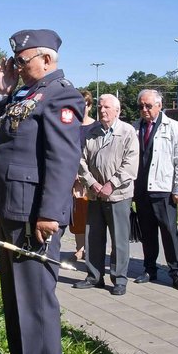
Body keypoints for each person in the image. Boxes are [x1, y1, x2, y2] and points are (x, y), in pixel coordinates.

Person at [0, 28, 83, 354]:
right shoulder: (25, 92)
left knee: (35, 294)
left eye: (22, 61)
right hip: (12, 206)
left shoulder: (61, 94)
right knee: (14, 291)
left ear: (47, 59)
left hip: (35, 211)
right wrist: (3, 90)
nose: (16, 67)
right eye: (15, 62)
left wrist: (50, 214)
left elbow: (63, 159)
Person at [74, 94, 139, 296]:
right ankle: (94, 276)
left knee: (119, 239)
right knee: (93, 237)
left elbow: (130, 163)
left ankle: (119, 279)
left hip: (119, 195)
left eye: (107, 107)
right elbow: (81, 161)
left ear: (117, 111)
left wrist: (111, 184)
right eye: (100, 107)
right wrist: (92, 184)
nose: (102, 111)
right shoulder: (91, 133)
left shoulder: (127, 132)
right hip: (94, 195)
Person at [132, 89, 178, 292]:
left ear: (159, 105)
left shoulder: (173, 127)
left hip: (163, 189)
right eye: (141, 106)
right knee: (147, 233)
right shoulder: (135, 128)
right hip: (141, 189)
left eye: (148, 106)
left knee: (169, 232)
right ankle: (150, 269)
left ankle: (176, 273)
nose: (144, 110)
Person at [70, 89, 97, 261]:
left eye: (85, 104)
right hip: (73, 175)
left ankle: (92, 248)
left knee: (92, 214)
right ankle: (79, 248)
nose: (82, 108)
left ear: (90, 105)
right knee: (78, 214)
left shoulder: (96, 126)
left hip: (91, 176)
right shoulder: (70, 125)